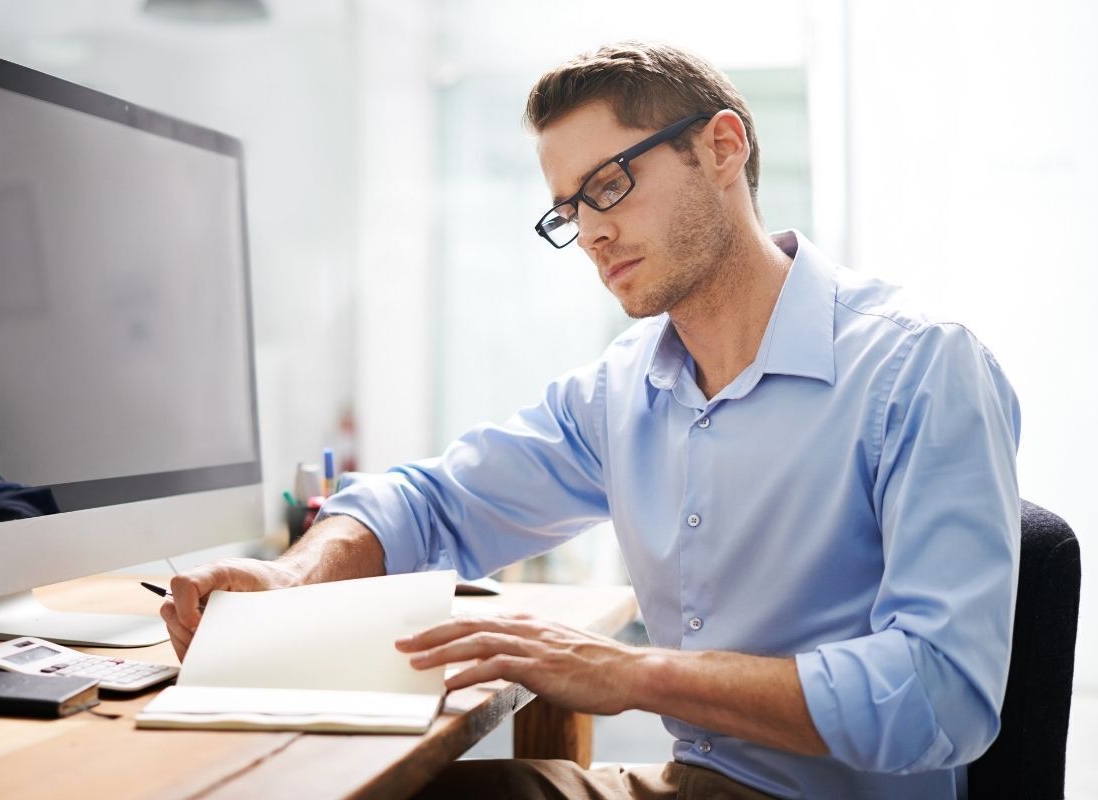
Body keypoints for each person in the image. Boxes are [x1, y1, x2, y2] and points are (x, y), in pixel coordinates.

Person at [162, 41, 1020, 799]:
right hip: (688, 783)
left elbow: (941, 695)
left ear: (722, 148)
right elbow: (432, 503)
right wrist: (294, 578)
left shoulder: (919, 369)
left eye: (611, 185)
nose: (594, 234)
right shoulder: (623, 391)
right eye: (569, 211)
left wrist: (635, 674)